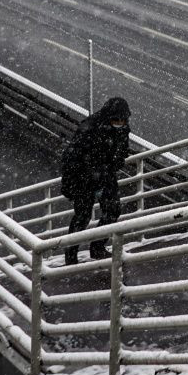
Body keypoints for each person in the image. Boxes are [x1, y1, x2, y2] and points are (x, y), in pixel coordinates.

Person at [60, 97, 132, 265]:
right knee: (82, 216)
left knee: (113, 210)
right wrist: (72, 183)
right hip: (83, 178)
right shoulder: (90, 128)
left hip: (106, 175)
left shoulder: (122, 129)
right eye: (116, 120)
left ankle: (98, 247)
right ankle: (71, 256)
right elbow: (72, 157)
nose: (119, 123)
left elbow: (122, 151)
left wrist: (110, 167)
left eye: (122, 120)